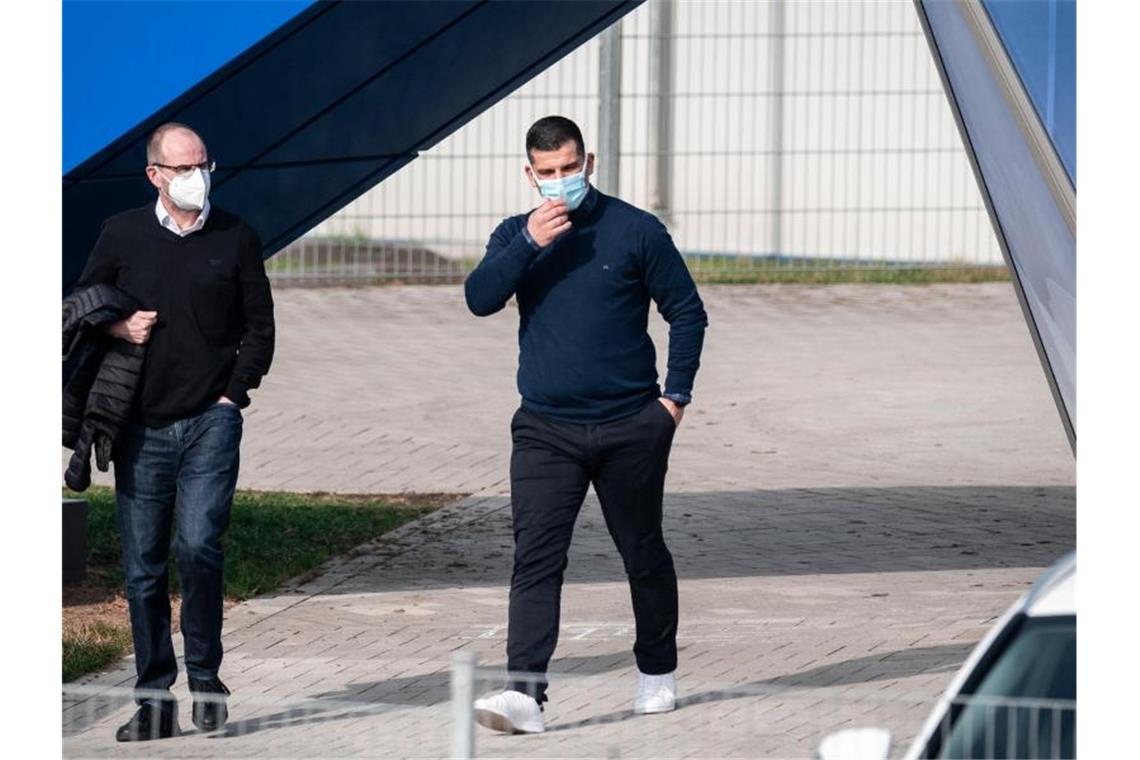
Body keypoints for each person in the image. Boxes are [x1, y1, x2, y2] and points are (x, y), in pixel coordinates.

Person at [464, 115, 708, 733]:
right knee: (536, 558)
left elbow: (687, 311)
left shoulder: (635, 230)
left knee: (642, 550)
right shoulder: (515, 234)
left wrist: (673, 401)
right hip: (546, 429)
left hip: (632, 423)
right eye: (547, 173)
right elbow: (480, 297)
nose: (560, 182)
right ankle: (525, 695)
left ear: (589, 163)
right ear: (529, 175)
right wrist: (529, 244)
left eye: (570, 169)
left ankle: (657, 672)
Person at [74, 122, 275, 741]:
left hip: (211, 419)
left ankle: (207, 679)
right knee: (142, 569)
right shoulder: (123, 234)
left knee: (199, 547)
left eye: (204, 165)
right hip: (139, 425)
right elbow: (80, 303)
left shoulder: (234, 235)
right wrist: (117, 327)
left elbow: (259, 327)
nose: (198, 177)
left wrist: (231, 394)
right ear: (155, 175)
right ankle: (154, 700)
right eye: (184, 168)